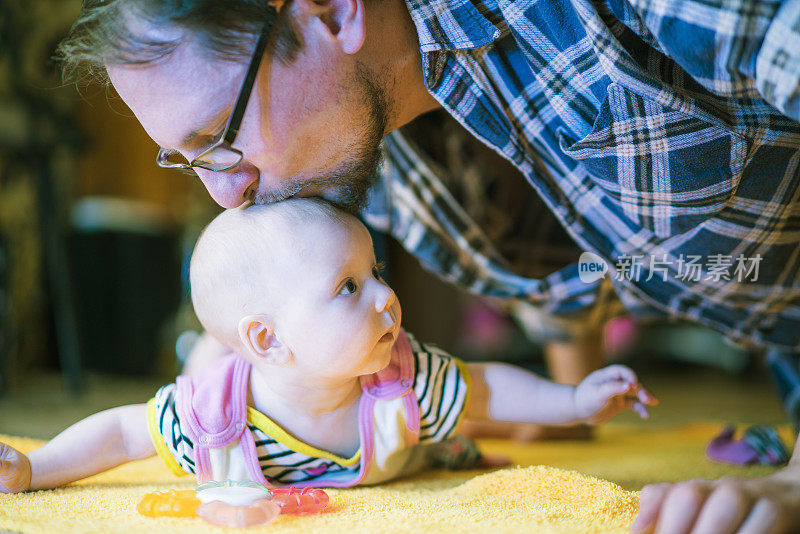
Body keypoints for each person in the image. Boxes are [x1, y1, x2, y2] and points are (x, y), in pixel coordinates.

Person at [55, 0, 800, 531]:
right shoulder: (353, 152)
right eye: (189, 160)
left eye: (220, 135)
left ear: (333, 12)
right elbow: (565, 231)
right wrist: (569, 394)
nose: (225, 191)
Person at [0, 199, 657, 493]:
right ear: (270, 336)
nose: (384, 298)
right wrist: (36, 468)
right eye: (349, 287)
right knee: (201, 371)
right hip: (237, 380)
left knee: (454, 429)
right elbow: (120, 434)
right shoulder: (211, 416)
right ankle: (204, 345)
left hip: (409, 446)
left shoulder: (401, 375)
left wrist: (573, 399)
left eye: (376, 274)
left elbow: (485, 386)